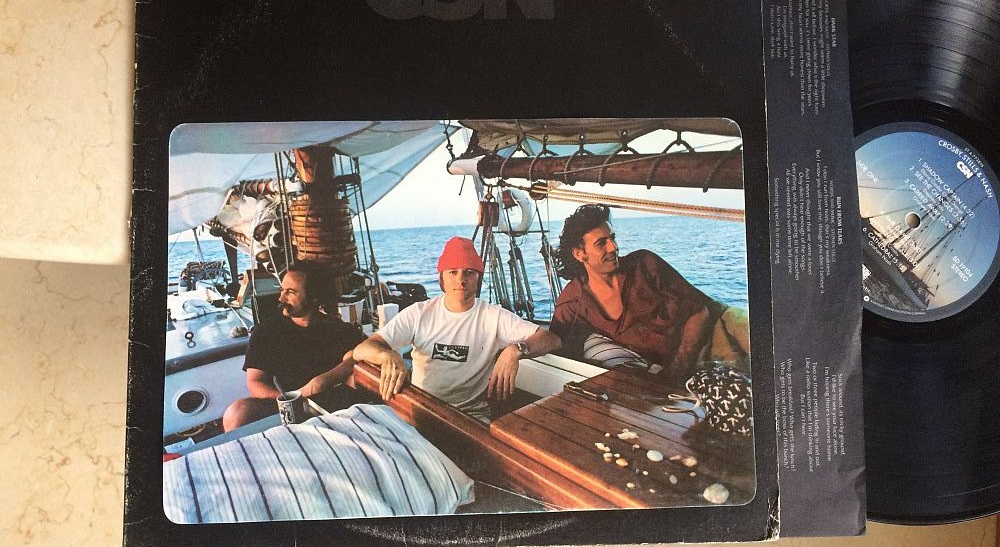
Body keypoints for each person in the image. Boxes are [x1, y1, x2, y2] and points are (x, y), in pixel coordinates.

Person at [353, 236, 561, 423]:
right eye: (453, 272)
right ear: (441, 279)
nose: (460, 280)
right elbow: (361, 349)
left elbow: (551, 339)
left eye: (469, 273)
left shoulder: (493, 316)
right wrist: (387, 355)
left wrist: (516, 349)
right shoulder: (419, 313)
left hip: (469, 418)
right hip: (418, 409)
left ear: (478, 279)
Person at [549, 204, 749, 384]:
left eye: (613, 238)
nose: (614, 247)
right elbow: (553, 340)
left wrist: (677, 371)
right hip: (681, 368)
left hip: (716, 331)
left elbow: (700, 312)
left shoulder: (644, 265)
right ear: (579, 254)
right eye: (601, 243)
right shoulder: (573, 301)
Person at [222, 262, 367, 431]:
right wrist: (291, 400)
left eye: (290, 292)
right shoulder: (267, 332)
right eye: (282, 290)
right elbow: (256, 382)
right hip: (285, 404)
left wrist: (322, 383)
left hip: (333, 407)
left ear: (314, 297)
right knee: (237, 412)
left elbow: (358, 365)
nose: (281, 298)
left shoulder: (342, 331)